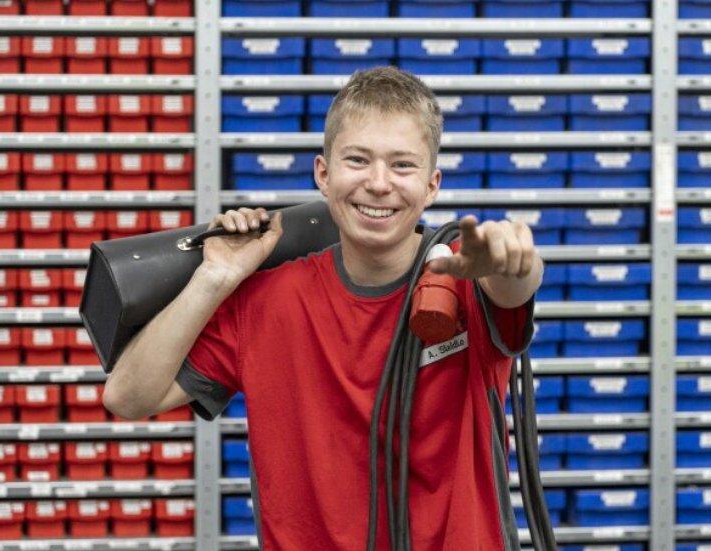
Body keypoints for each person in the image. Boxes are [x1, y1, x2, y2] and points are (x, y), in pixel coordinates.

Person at [102, 66, 544, 551]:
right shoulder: (266, 301)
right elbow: (128, 397)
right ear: (323, 174)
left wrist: (513, 262)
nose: (379, 183)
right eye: (358, 160)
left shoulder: (465, 283)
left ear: (432, 185)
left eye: (402, 165)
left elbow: (515, 286)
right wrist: (214, 278)